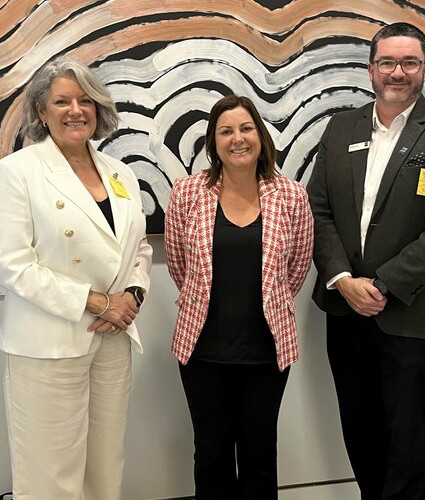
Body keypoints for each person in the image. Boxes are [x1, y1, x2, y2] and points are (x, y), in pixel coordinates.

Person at [307, 22, 425, 500]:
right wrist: (343, 279)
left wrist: (380, 284)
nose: (397, 72)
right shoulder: (341, 128)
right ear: (370, 69)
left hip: (410, 312)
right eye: (387, 62)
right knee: (359, 430)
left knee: (406, 440)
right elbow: (317, 210)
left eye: (409, 63)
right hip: (346, 311)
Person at [0, 58, 152, 500]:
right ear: (41, 111)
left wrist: (132, 295)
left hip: (113, 339)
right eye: (62, 101)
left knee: (104, 467)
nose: (75, 110)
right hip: (48, 346)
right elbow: (13, 265)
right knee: (50, 476)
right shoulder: (18, 171)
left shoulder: (122, 174)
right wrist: (98, 302)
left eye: (85, 100)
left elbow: (138, 249)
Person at [164, 94, 313, 499]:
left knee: (259, 455)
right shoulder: (187, 193)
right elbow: (179, 263)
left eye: (246, 128)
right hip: (202, 350)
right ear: (213, 142)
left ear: (261, 136)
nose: (237, 139)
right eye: (225, 131)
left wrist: (271, 300)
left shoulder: (292, 196)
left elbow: (296, 268)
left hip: (266, 351)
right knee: (210, 454)